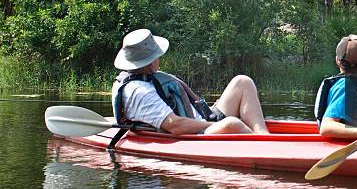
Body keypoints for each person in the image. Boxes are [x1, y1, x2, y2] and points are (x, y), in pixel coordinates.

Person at [112, 29, 269, 135]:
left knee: (242, 82)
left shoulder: (147, 76)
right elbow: (174, 125)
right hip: (195, 133)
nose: (159, 58)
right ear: (151, 61)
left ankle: (264, 138)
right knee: (233, 124)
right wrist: (214, 125)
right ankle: (264, 150)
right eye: (157, 55)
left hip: (201, 121)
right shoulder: (139, 92)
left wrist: (209, 114)